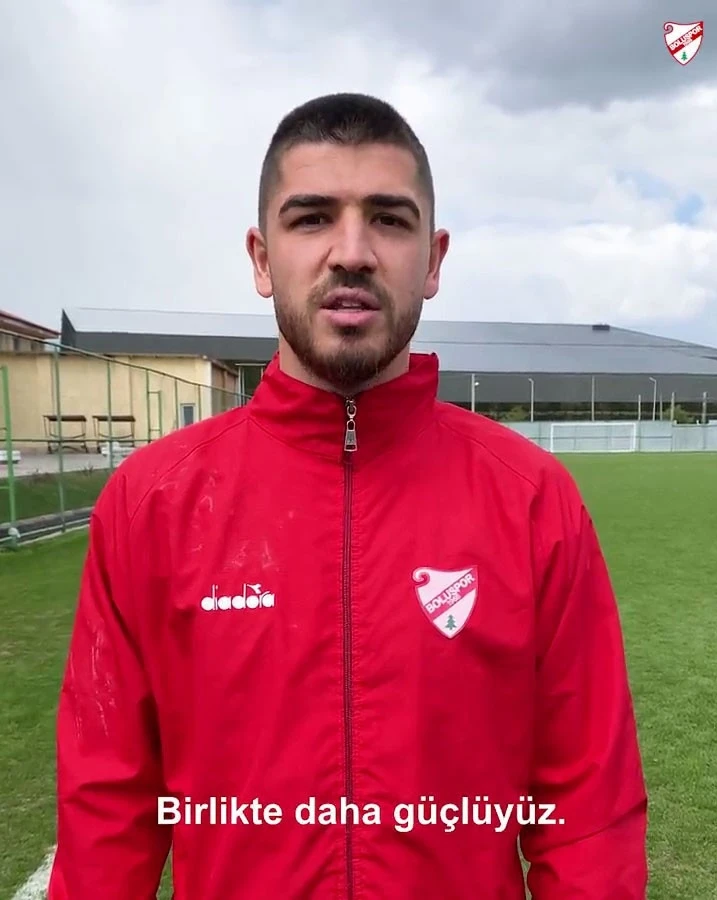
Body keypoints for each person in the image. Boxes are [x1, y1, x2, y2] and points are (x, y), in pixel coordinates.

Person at [49, 92, 648, 899]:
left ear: (432, 260)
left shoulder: (534, 501)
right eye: (312, 218)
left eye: (389, 220)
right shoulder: (152, 503)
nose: (353, 252)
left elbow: (589, 810)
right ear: (262, 258)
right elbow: (106, 810)